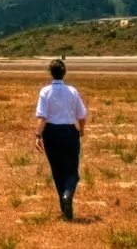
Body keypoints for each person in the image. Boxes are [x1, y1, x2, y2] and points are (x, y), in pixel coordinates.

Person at [34, 57, 87, 220]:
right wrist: (82, 130)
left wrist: (38, 135)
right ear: (64, 73)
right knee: (72, 171)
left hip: (51, 133)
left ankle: (64, 207)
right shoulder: (72, 91)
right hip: (70, 132)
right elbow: (82, 115)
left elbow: (42, 117)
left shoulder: (45, 91)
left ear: (51, 73)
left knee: (57, 171)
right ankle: (67, 196)